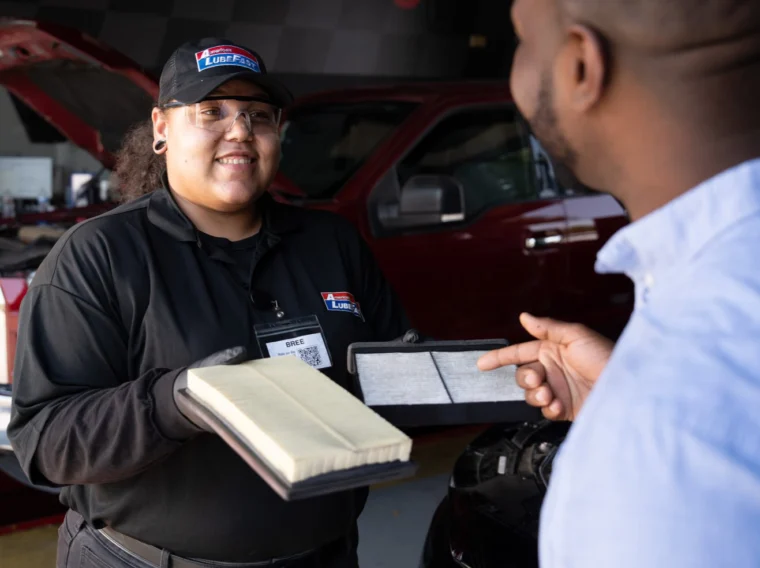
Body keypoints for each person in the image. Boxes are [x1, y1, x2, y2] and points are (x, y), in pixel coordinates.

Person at [8, 38, 410, 568]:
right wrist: (174, 403)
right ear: (161, 129)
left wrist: (472, 376)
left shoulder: (331, 243)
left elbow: (395, 377)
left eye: (258, 115)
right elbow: (46, 443)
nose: (240, 130)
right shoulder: (99, 255)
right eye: (212, 111)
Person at [477, 0, 760, 566]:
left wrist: (638, 409)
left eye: (521, 38)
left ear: (581, 65)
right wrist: (621, 391)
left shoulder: (654, 455)